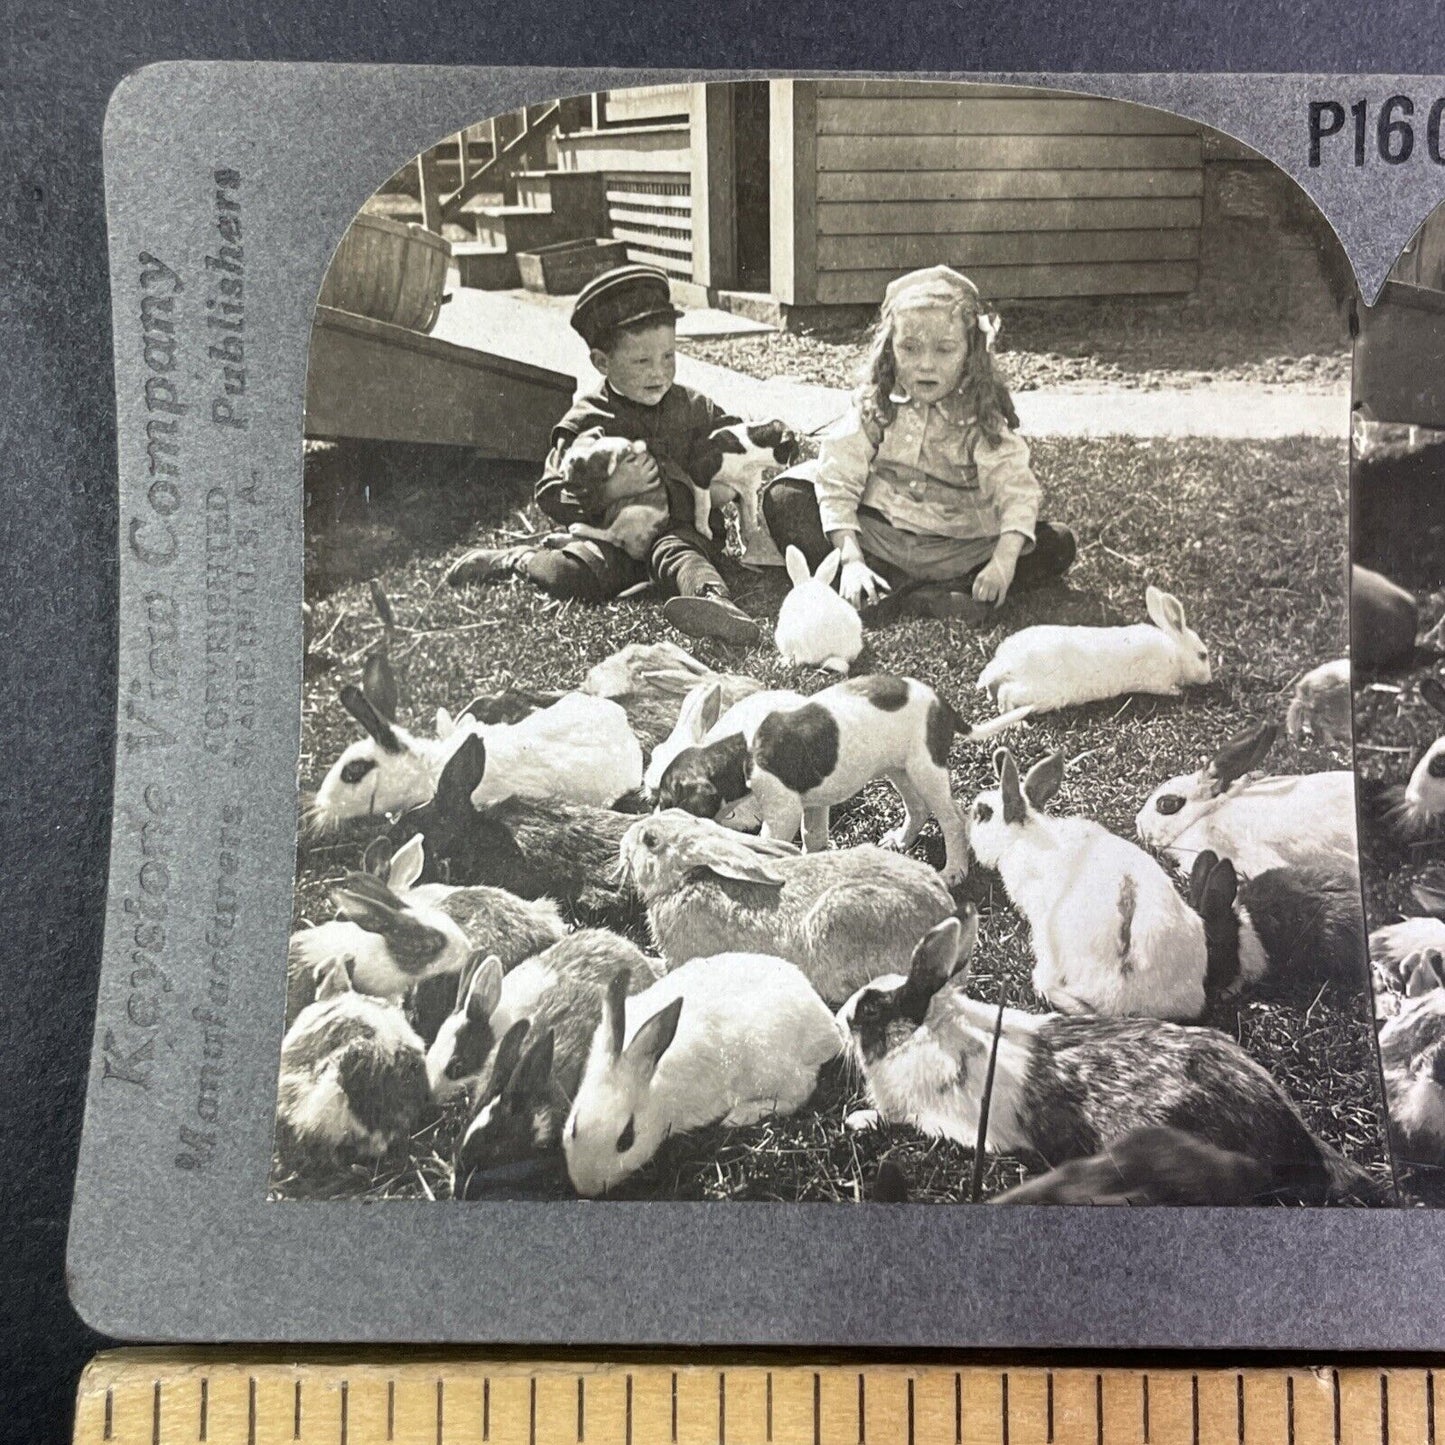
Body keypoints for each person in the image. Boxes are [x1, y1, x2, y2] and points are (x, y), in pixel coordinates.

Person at [446, 264, 761, 647]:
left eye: (668, 356)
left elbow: (738, 439)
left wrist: (728, 459)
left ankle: (713, 602)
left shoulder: (692, 405)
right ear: (601, 362)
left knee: (682, 555)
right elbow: (550, 490)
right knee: (570, 576)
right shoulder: (588, 418)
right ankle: (520, 559)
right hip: (612, 539)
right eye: (642, 362)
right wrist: (608, 490)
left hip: (678, 530)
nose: (659, 373)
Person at [761, 265, 1076, 621]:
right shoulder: (876, 402)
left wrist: (1002, 562)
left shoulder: (980, 414)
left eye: (944, 349)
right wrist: (850, 559)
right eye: (910, 348)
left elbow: (1015, 490)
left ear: (970, 352)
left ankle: (910, 593)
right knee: (786, 496)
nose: (926, 364)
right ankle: (895, 587)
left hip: (956, 546)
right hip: (879, 537)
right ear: (890, 349)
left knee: (1056, 542)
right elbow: (837, 475)